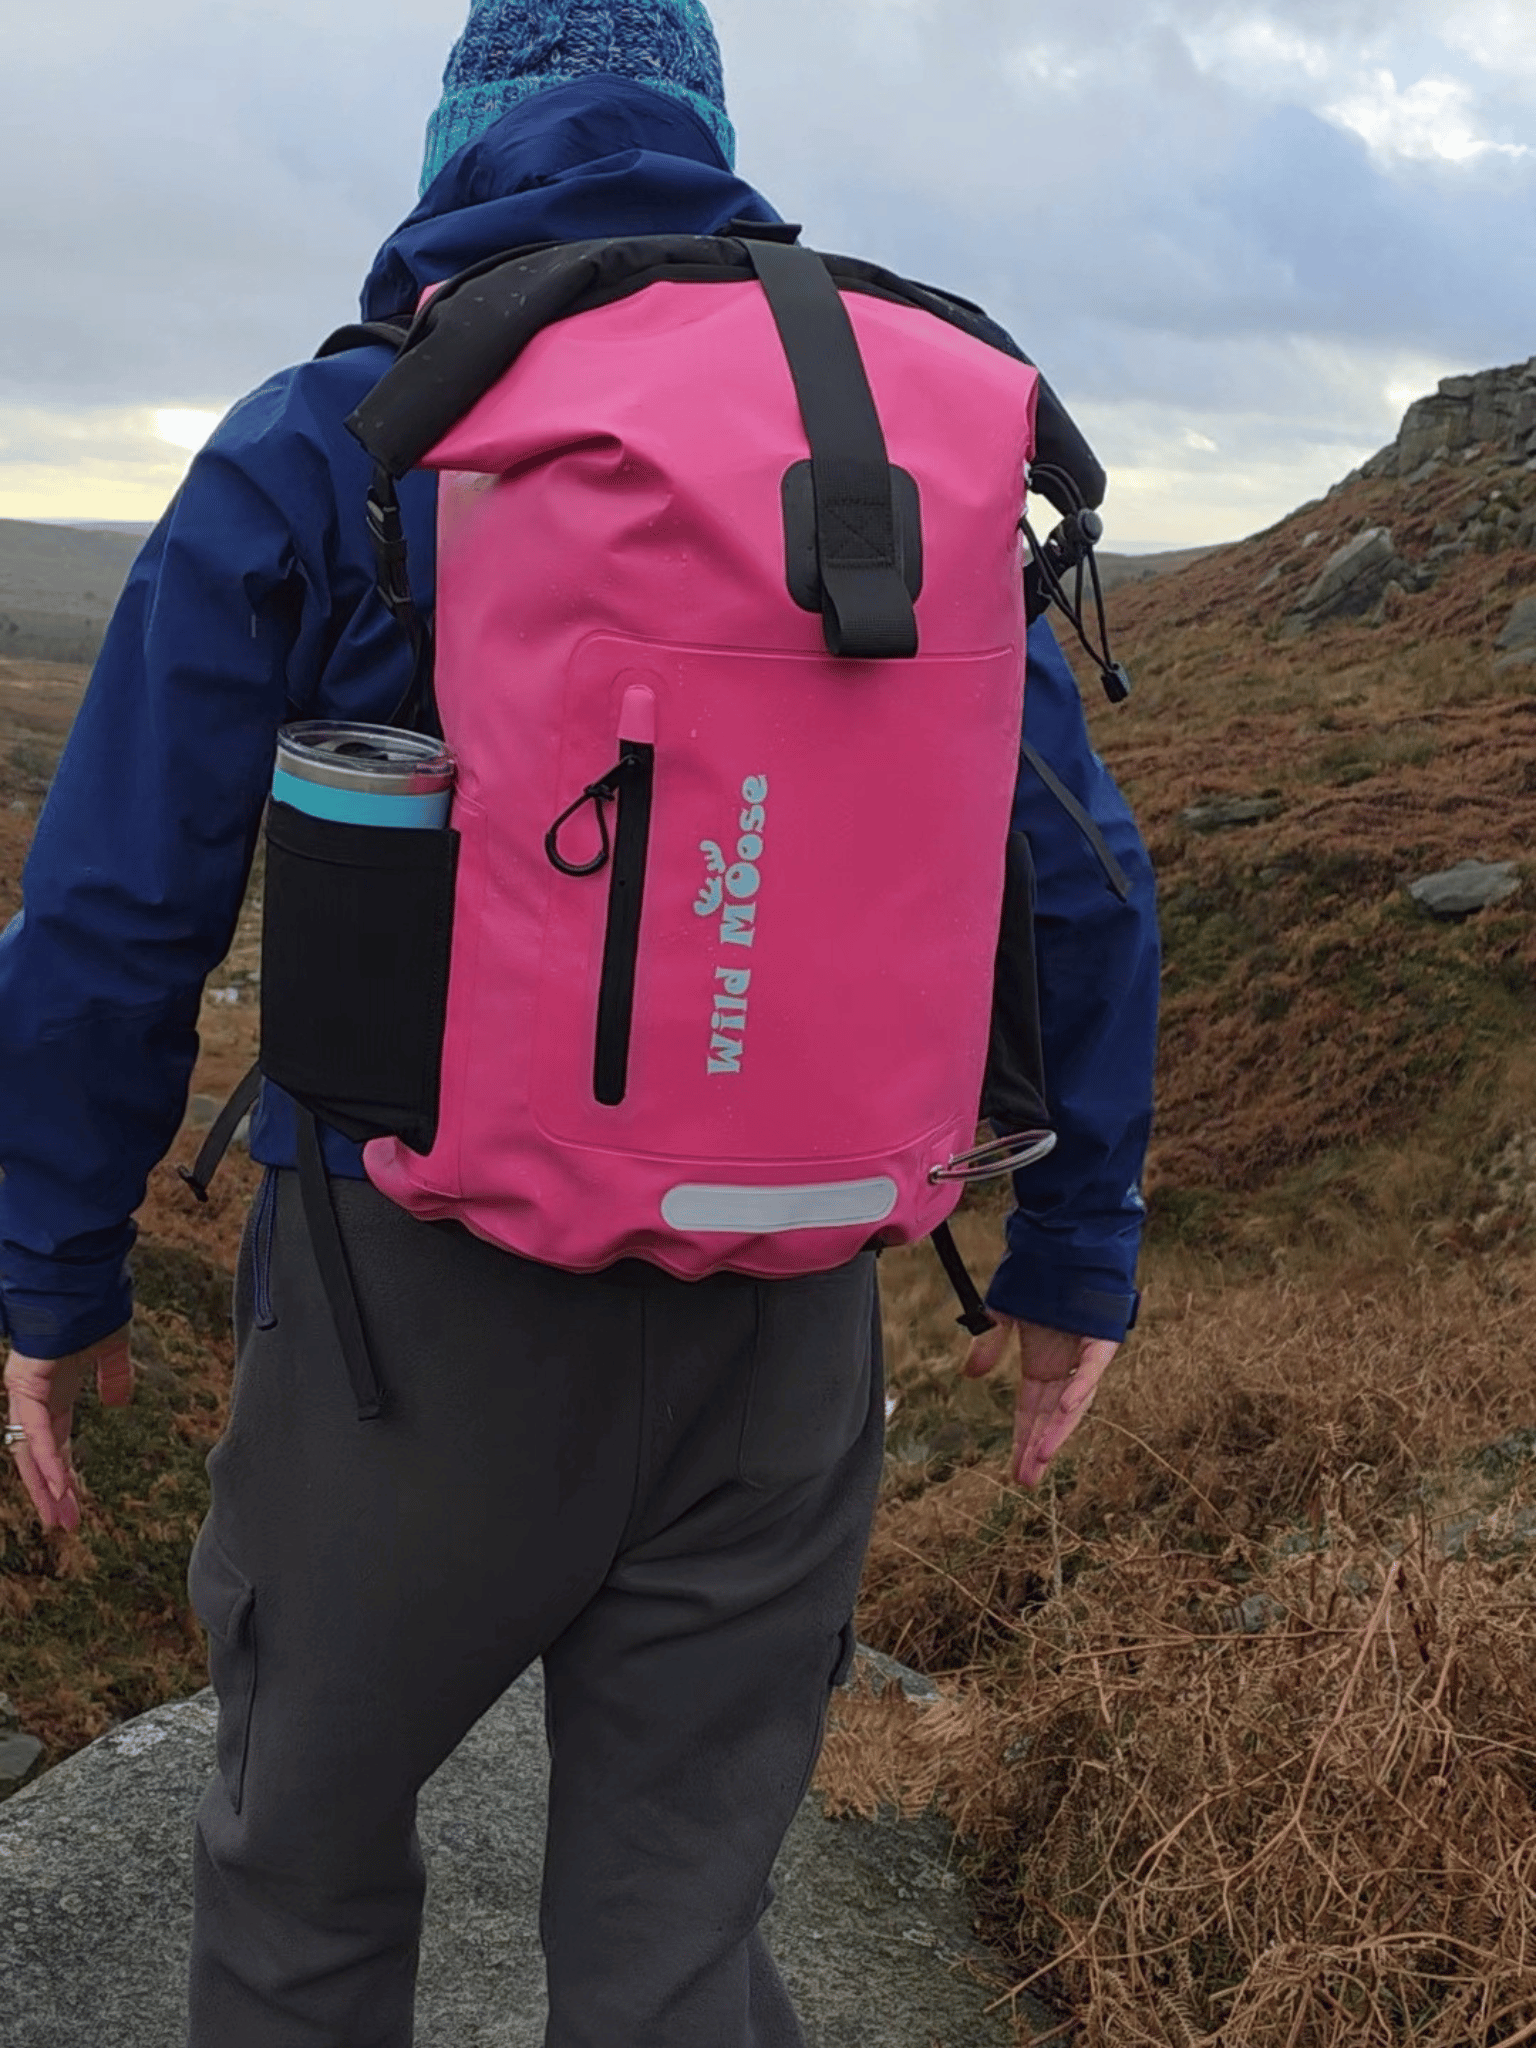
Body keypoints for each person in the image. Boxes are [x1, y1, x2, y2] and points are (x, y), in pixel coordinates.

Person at [0, 5, 1159, 2043]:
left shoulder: (334, 433)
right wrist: (1074, 1260)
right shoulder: (880, 439)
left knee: (301, 1882)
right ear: (710, 135)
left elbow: (111, 915)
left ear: (459, 142)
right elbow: (1075, 875)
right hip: (790, 1311)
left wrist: (52, 1276)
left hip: (400, 1322)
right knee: (676, 1941)